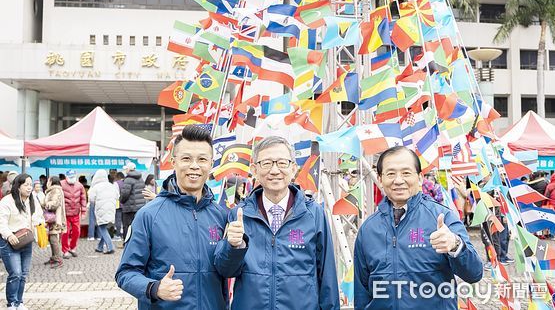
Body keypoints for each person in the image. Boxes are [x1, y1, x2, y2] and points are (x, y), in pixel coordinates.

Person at [215, 136, 340, 310]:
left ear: (293, 168)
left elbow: (327, 277)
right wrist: (233, 247)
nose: (274, 170)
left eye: (282, 163)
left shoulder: (313, 214)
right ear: (255, 170)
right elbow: (225, 270)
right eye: (266, 163)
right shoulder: (239, 214)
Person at [354, 146, 483, 310]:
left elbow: (474, 273)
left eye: (406, 173)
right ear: (380, 179)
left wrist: (455, 245)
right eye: (391, 173)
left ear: (420, 178)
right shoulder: (368, 229)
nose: (398, 180)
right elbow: (361, 293)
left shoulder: (442, 217)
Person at [116, 125, 229, 309]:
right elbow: (126, 273)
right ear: (173, 162)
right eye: (186, 158)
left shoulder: (221, 215)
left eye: (202, 159)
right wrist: (155, 288)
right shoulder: (149, 215)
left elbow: (228, 271)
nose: (194, 166)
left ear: (211, 164)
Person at [0, 174, 45, 310]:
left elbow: (38, 215)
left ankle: (19, 302)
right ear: (18, 186)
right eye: (26, 184)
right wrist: (8, 235)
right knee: (15, 273)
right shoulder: (7, 201)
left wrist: (38, 223)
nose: (29, 187)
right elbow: (1, 221)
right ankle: (11, 303)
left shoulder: (33, 200)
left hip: (26, 241)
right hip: (9, 241)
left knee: (24, 274)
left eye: (30, 184)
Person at [88, 170, 119, 255]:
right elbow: (117, 196)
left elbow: (91, 199)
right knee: (105, 227)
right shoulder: (111, 186)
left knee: (102, 227)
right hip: (111, 208)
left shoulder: (96, 187)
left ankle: (110, 247)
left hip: (101, 209)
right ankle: (100, 247)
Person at [61, 170, 87, 259]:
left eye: (73, 177)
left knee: (77, 231)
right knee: (65, 232)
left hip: (76, 212)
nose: (71, 178)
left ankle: (72, 247)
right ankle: (65, 250)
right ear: (66, 176)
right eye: (70, 177)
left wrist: (83, 212)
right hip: (65, 213)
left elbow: (83, 199)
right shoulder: (61, 185)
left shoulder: (80, 186)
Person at [43, 176, 66, 269]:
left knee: (54, 239)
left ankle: (58, 259)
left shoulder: (55, 190)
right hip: (53, 218)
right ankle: (54, 257)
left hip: (56, 219)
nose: (47, 182)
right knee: (52, 238)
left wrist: (45, 204)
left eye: (48, 180)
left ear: (51, 181)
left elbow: (55, 203)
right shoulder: (53, 190)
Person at [120, 162, 146, 241]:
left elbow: (125, 194)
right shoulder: (141, 178)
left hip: (129, 207)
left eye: (126, 169)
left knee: (127, 226)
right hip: (139, 207)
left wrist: (121, 200)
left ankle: (126, 242)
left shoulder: (128, 179)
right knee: (137, 226)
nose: (125, 171)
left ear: (129, 169)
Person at [114, 172, 125, 241]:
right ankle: (123, 234)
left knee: (118, 220)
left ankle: (118, 235)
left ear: (117, 177)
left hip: (118, 204)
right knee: (124, 221)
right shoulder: (126, 182)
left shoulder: (116, 183)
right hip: (125, 204)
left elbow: (116, 194)